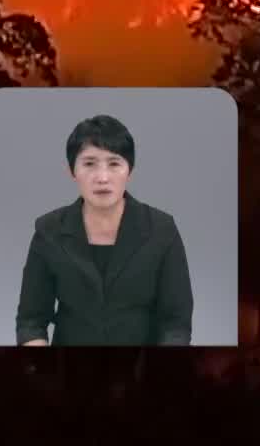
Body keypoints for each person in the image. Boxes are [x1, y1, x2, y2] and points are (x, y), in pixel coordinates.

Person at [14, 114, 194, 346]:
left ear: (130, 170)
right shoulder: (48, 230)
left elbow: (176, 323)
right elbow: (31, 321)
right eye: (89, 164)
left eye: (114, 163)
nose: (102, 177)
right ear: (72, 171)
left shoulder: (161, 229)